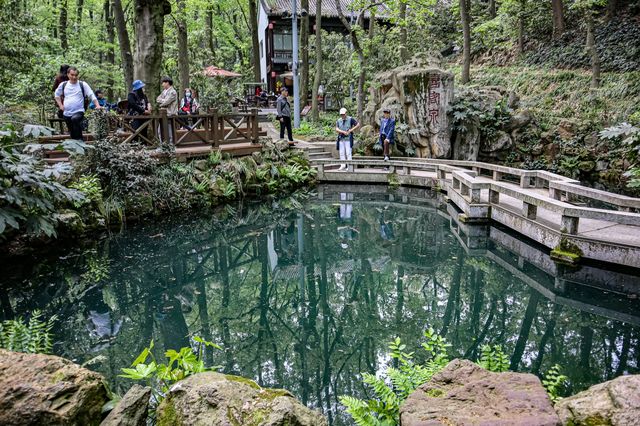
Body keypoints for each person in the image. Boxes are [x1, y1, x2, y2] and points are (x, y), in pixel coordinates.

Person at [54, 66, 102, 140]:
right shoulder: (63, 85)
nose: (74, 77)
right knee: (72, 132)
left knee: (75, 119)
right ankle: (75, 144)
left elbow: (91, 94)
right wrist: (60, 105)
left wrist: (97, 105)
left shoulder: (82, 84)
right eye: (72, 75)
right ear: (68, 75)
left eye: (76, 75)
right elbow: (56, 95)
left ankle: (80, 141)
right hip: (66, 113)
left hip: (79, 111)